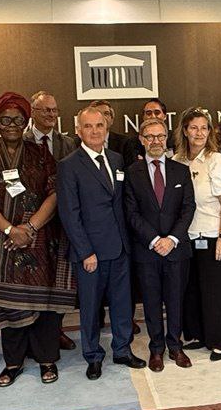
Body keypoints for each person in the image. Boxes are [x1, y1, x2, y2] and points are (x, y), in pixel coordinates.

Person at [0, 93, 77, 387]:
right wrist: (12, 230)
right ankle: (13, 363)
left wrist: (31, 227)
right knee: (9, 304)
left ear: (25, 122)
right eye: (5, 120)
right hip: (6, 243)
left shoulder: (41, 154)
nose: (11, 125)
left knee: (45, 304)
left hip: (42, 240)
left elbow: (56, 193)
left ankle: (47, 359)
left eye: (17, 120)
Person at [56, 105, 145, 378]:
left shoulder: (116, 160)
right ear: (78, 130)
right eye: (88, 126)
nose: (94, 131)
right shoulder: (69, 165)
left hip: (120, 248)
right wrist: (85, 252)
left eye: (99, 126)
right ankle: (93, 355)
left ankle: (122, 350)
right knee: (91, 308)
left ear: (106, 128)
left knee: (122, 304)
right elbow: (69, 214)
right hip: (91, 253)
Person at [124, 117, 195, 371]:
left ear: (167, 139)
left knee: (176, 300)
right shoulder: (132, 173)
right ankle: (156, 349)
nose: (156, 141)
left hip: (176, 249)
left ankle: (175, 346)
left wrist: (172, 239)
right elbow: (131, 213)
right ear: (142, 140)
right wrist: (155, 240)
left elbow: (188, 208)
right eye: (150, 137)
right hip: (147, 250)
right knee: (152, 302)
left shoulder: (181, 170)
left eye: (160, 136)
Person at [174, 107, 221, 361]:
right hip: (187, 236)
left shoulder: (216, 159)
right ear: (185, 131)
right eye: (194, 128)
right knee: (194, 291)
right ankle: (200, 335)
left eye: (204, 128)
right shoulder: (177, 160)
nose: (199, 133)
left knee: (217, 291)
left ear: (210, 131)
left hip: (213, 235)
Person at [27, 90, 79, 351]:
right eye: (45, 110)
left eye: (54, 110)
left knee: (59, 281)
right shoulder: (21, 140)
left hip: (62, 222)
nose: (51, 114)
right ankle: (34, 336)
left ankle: (55, 331)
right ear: (32, 112)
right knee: (34, 281)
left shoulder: (68, 143)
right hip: (30, 221)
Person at [122, 98, 169, 163]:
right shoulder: (132, 144)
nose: (153, 116)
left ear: (165, 116)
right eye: (149, 113)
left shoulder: (175, 140)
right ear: (143, 117)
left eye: (157, 113)